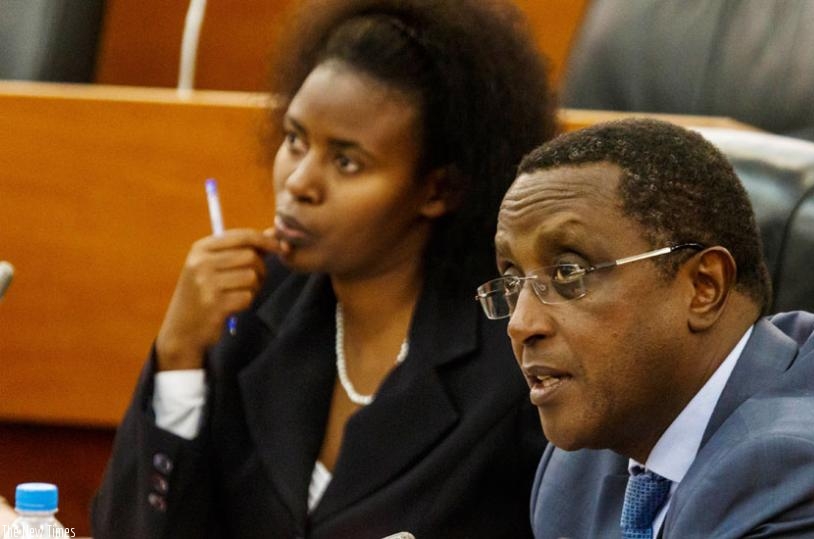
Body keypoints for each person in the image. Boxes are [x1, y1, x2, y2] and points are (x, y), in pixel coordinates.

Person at [91, 0, 556, 537]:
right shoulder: (250, 312)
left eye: (346, 161)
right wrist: (178, 357)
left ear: (439, 189)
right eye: (295, 140)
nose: (298, 182)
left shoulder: (511, 357)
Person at [476, 118, 814, 538]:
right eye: (512, 280)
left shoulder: (798, 471)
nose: (521, 324)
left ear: (703, 287)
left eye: (569, 272)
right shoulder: (577, 467)